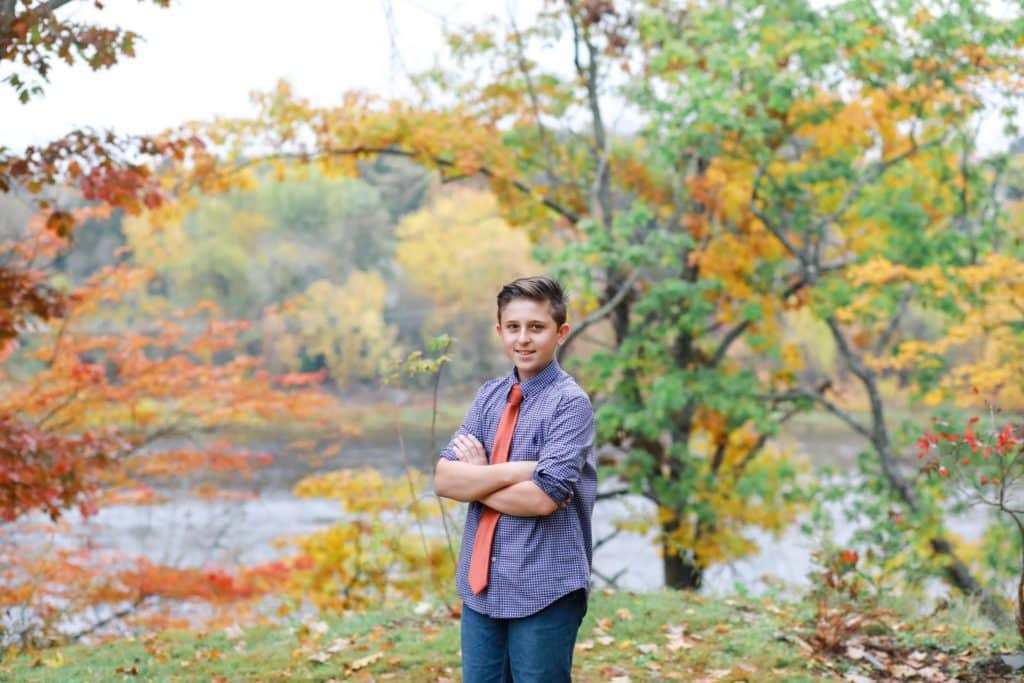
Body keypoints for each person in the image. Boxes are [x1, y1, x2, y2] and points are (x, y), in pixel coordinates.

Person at [434, 275, 597, 683]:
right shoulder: (489, 396)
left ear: (561, 333)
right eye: (514, 327)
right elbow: (444, 480)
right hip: (481, 587)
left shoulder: (570, 405)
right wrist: (518, 471)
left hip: (544, 586)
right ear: (500, 330)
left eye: (536, 328)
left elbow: (542, 499)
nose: (523, 339)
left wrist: (478, 479)